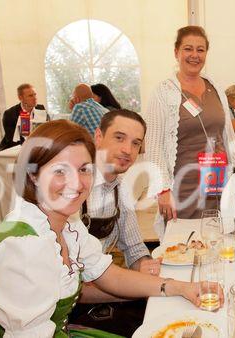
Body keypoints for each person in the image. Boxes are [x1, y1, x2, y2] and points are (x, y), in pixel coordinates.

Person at [0, 120, 222, 337]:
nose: (76, 183)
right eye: (60, 170)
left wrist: (180, 287)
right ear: (33, 174)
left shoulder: (69, 225)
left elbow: (108, 275)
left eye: (83, 170)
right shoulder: (21, 249)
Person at [69, 109, 161, 336]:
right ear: (98, 137)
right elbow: (71, 287)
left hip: (102, 291)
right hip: (64, 310)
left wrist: (148, 267)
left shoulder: (122, 190)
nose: (127, 150)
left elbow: (134, 248)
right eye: (119, 138)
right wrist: (141, 288)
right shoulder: (72, 188)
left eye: (135, 143)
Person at [144, 26, 235, 230]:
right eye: (188, 49)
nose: (194, 55)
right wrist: (162, 189)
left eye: (200, 50)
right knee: (183, 247)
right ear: (176, 52)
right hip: (183, 187)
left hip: (217, 183)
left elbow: (228, 136)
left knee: (218, 240)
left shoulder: (215, 88)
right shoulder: (163, 92)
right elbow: (153, 145)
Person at [0, 83, 46, 151]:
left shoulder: (41, 108)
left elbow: (46, 129)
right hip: (14, 149)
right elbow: (11, 139)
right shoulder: (10, 114)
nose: (35, 98)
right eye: (30, 96)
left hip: (36, 148)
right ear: (20, 98)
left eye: (35, 94)